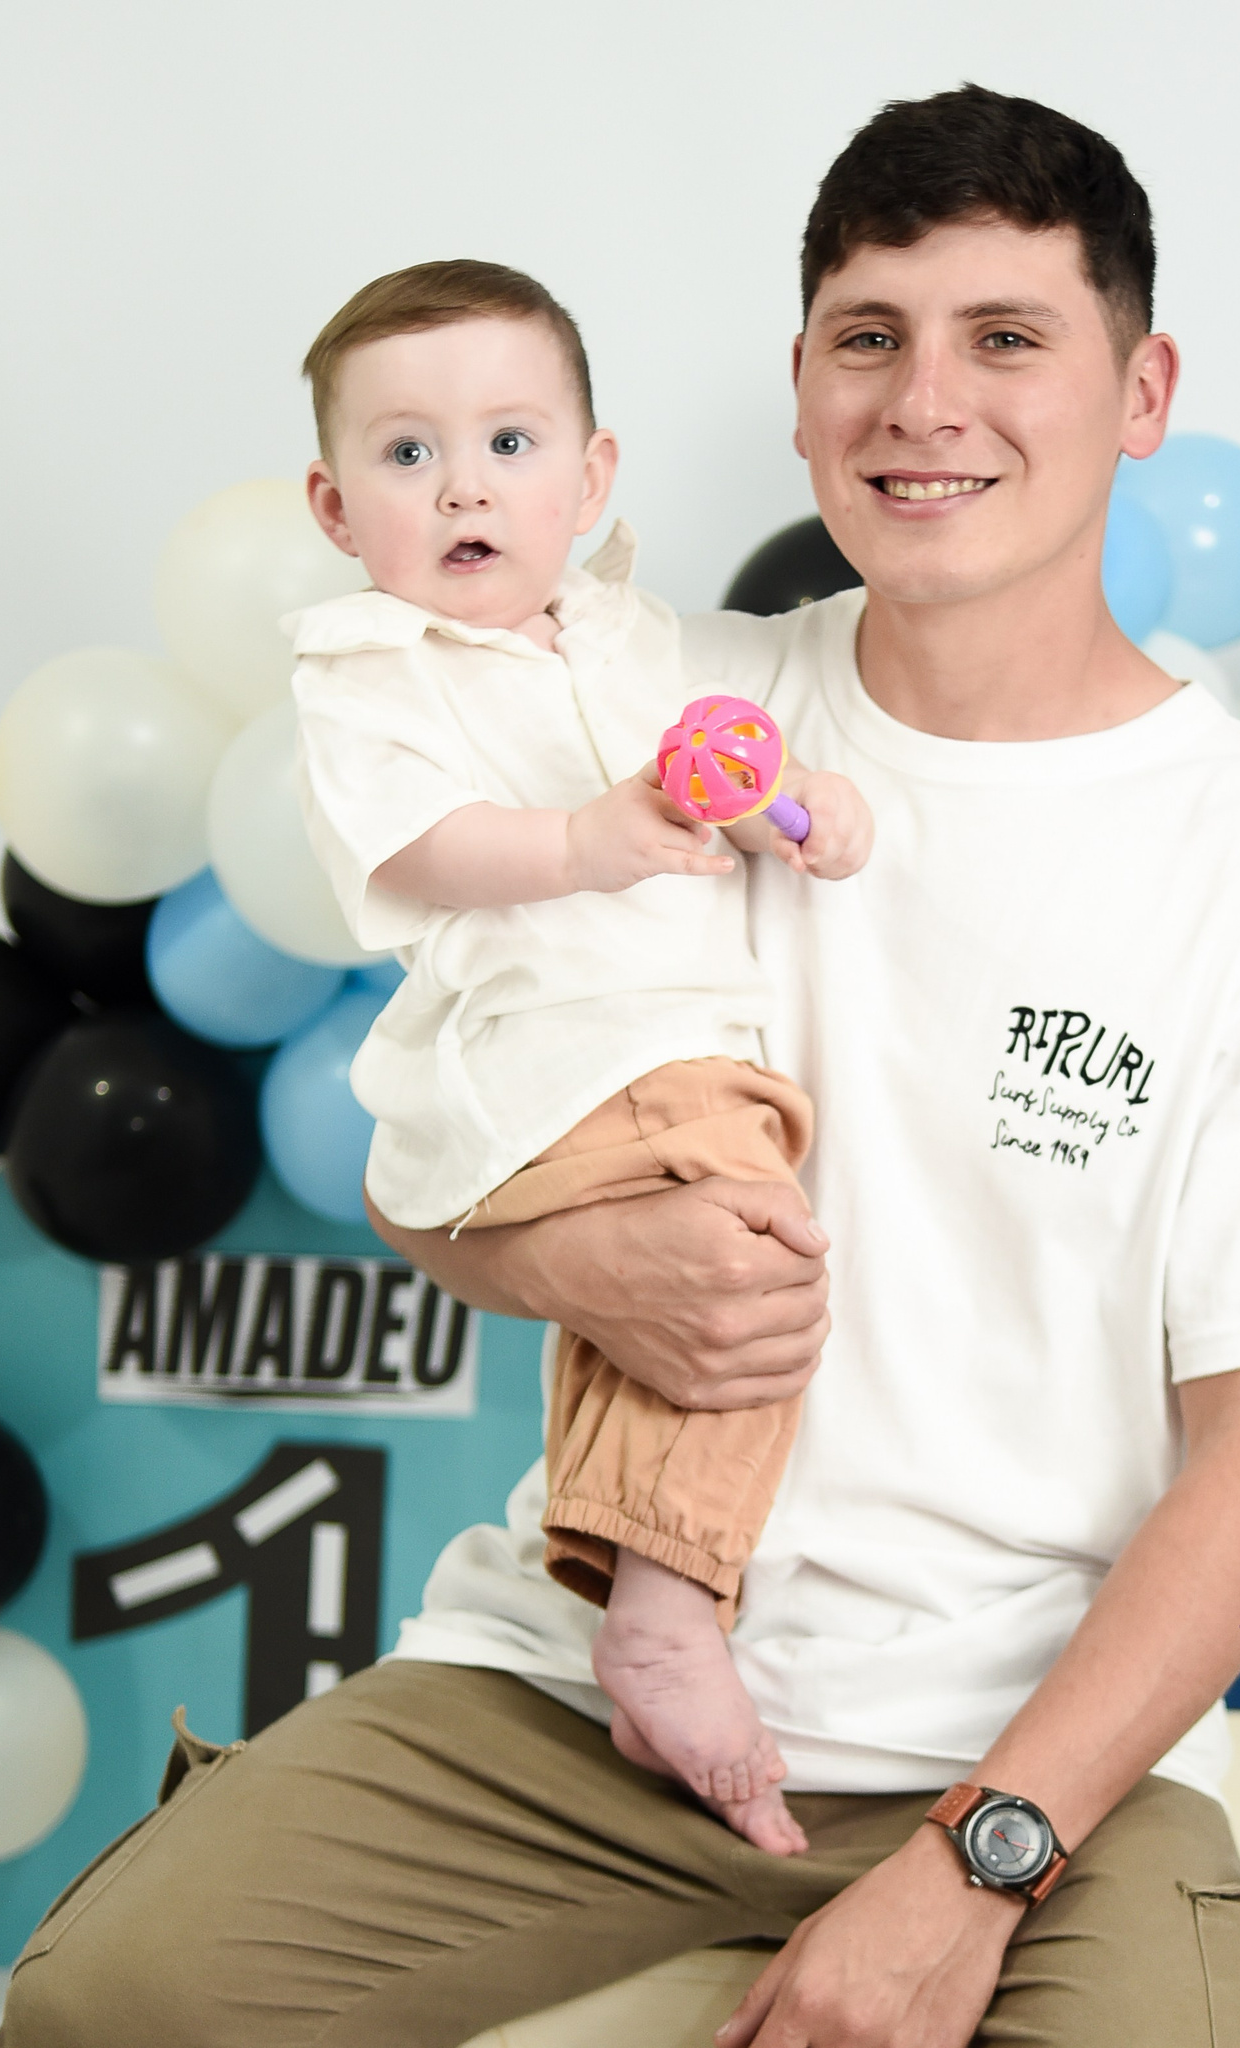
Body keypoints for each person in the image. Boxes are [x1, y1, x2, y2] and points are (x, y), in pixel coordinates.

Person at [0, 83, 1240, 2048]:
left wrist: (975, 1857)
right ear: (798, 388)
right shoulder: (636, 704)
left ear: (1141, 385)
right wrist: (574, 1264)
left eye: (1005, 338)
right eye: (870, 340)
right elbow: (416, 1151)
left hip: (1013, 1759)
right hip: (570, 1696)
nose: (925, 402)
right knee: (115, 2006)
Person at [282, 258, 873, 1857]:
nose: (463, 483)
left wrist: (783, 803)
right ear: (340, 510)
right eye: (408, 457)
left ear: (591, 474)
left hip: (642, 1049)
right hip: (557, 1051)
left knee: (655, 1314)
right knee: (758, 1243)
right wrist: (581, 839)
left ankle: (628, 1586)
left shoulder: (623, 633)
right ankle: (674, 1602)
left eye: (511, 443)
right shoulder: (368, 674)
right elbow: (424, 849)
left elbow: (702, 768)